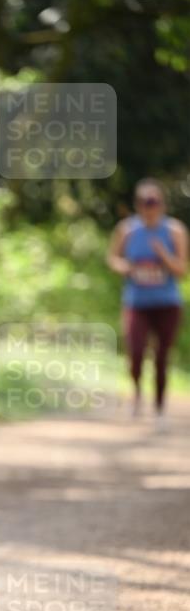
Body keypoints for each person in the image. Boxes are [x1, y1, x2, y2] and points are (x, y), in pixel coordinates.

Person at [106, 178, 187, 430]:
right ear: (137, 204)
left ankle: (160, 407)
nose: (148, 207)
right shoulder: (127, 230)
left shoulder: (174, 230)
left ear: (162, 203)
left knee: (162, 356)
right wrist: (125, 267)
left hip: (166, 303)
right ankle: (137, 395)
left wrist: (164, 255)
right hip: (136, 302)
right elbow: (112, 258)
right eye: (144, 202)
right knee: (136, 350)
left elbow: (182, 270)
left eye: (153, 202)